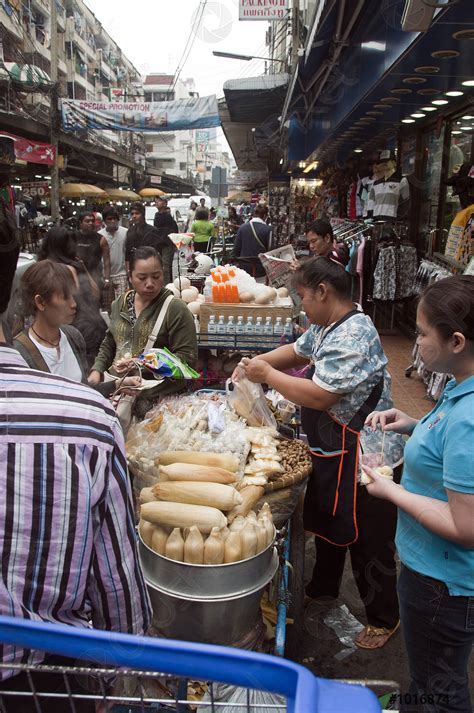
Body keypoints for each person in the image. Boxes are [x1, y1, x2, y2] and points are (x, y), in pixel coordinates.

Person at [0, 219, 151, 712]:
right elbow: (115, 581)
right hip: (46, 674)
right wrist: (116, 670)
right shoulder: (84, 424)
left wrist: (109, 383)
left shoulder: (77, 349)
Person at [238, 257, 404, 649]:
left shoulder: (353, 336)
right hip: (335, 448)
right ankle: (324, 589)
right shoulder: (328, 325)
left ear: (323, 292)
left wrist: (266, 377)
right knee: (330, 522)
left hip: (367, 457)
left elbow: (320, 394)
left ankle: (384, 616)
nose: (302, 306)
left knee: (370, 539)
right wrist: (258, 362)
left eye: (303, 298)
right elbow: (297, 351)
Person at [363, 275, 474, 712]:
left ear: (457, 341)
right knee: (429, 675)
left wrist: (390, 491)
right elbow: (449, 441)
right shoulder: (458, 388)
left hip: (441, 587)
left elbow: (464, 525)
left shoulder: (468, 419)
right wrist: (413, 423)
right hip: (438, 579)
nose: (417, 343)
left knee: (442, 691)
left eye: (424, 333)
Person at [88, 246, 197, 417]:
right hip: (121, 395)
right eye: (142, 277)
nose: (150, 283)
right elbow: (110, 342)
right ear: (130, 276)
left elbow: (187, 358)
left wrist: (141, 362)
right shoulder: (120, 304)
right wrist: (97, 370)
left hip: (159, 402)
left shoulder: (175, 309)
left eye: (156, 276)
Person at [13, 260, 139, 396]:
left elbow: (84, 391)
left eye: (73, 295)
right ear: (41, 302)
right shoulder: (20, 354)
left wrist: (117, 385)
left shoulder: (73, 336)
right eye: (65, 297)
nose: (73, 303)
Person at [38, 226, 107, 368]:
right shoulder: (70, 269)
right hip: (81, 328)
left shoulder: (40, 268)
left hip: (56, 331)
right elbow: (95, 294)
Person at [125, 201, 167, 272]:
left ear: (143, 214)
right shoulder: (130, 232)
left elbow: (159, 254)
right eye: (132, 214)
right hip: (135, 269)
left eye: (137, 213)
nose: (134, 216)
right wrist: (128, 271)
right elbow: (127, 255)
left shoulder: (153, 231)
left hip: (151, 268)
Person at [233, 204, 272, 281]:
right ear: (265, 216)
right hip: (260, 269)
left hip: (244, 267)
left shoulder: (242, 228)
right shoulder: (268, 229)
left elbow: (236, 249)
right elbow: (270, 250)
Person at [99, 206, 129, 302]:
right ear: (104, 221)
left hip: (121, 274)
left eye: (114, 219)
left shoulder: (125, 233)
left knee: (121, 303)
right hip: (105, 276)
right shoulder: (100, 235)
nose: (112, 221)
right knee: (108, 304)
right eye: (109, 219)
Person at [75, 210, 111, 290]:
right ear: (80, 223)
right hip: (76, 278)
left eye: (92, 221)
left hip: (95, 278)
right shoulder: (73, 237)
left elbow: (107, 260)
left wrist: (107, 279)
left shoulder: (101, 239)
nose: (91, 223)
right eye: (87, 221)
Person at [153, 197, 179, 284]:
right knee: (160, 266)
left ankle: (167, 286)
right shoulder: (157, 215)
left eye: (159, 201)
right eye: (156, 201)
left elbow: (172, 231)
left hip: (166, 245)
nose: (157, 202)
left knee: (166, 267)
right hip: (158, 245)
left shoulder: (167, 217)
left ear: (165, 203)